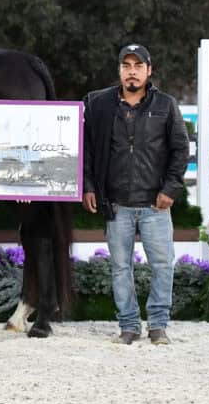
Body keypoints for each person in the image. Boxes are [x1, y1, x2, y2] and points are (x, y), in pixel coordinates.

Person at [81, 44, 189, 345]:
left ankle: (158, 325)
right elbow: (88, 149)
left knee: (163, 264)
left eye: (138, 66)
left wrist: (170, 189)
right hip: (117, 204)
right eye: (126, 65)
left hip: (155, 203)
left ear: (148, 70)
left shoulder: (166, 105)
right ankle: (128, 326)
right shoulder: (100, 105)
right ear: (119, 71)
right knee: (119, 268)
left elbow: (181, 150)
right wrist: (89, 186)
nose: (132, 71)